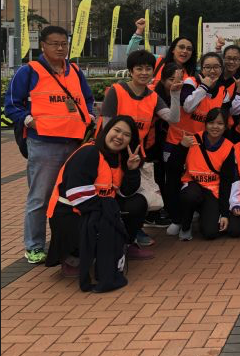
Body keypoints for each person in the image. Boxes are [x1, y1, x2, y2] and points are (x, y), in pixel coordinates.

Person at [4, 25, 95, 264]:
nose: (60, 48)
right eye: (54, 43)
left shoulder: (74, 70)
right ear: (42, 45)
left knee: (70, 195)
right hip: (44, 144)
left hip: (76, 142)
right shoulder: (29, 71)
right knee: (40, 197)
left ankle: (66, 242)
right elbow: (11, 103)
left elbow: (86, 99)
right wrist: (28, 119)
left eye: (64, 43)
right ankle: (33, 246)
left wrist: (90, 116)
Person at [45, 115, 149, 284]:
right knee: (104, 227)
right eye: (116, 130)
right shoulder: (89, 152)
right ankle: (72, 256)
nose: (120, 137)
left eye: (126, 135)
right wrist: (110, 218)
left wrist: (131, 170)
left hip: (98, 207)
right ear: (106, 130)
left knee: (137, 203)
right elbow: (77, 195)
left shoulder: (121, 157)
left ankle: (124, 244)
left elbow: (126, 192)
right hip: (70, 213)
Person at [100, 50, 181, 246]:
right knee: (110, 195)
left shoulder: (152, 97)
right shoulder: (116, 92)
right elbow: (106, 129)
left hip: (136, 158)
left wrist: (175, 95)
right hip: (111, 156)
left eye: (148, 69)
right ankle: (111, 233)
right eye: (139, 68)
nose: (144, 73)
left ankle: (134, 231)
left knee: (138, 197)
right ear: (130, 71)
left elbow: (173, 118)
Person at [163, 52, 240, 235]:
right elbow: (188, 106)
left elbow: (222, 117)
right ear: (201, 68)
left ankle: (200, 213)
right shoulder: (191, 82)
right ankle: (179, 219)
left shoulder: (223, 90)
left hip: (202, 143)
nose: (212, 71)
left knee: (198, 179)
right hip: (180, 140)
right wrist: (204, 86)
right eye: (207, 67)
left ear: (222, 69)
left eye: (216, 67)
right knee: (174, 180)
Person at [177, 108, 240, 241]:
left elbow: (226, 182)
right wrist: (181, 147)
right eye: (211, 122)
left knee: (211, 233)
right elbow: (172, 167)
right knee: (191, 196)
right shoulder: (192, 140)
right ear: (205, 124)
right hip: (193, 186)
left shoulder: (228, 147)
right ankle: (185, 225)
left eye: (220, 123)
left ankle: (203, 214)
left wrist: (224, 214)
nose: (215, 127)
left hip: (213, 191)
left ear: (225, 127)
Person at [143, 62, 185, 229]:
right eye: (170, 79)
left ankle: (163, 210)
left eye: (179, 79)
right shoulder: (154, 95)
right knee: (155, 178)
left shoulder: (182, 92)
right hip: (151, 144)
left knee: (167, 177)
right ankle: (152, 214)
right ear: (162, 80)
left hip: (168, 141)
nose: (175, 83)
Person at [127, 19, 196, 84]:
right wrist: (139, 30)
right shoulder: (158, 61)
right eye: (181, 47)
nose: (185, 51)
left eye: (189, 49)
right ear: (173, 49)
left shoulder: (193, 72)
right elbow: (132, 54)